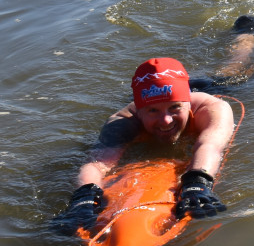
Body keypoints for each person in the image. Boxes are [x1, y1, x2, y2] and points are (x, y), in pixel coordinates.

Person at [52, 56, 237, 235]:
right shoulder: (123, 123)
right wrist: (83, 199)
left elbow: (209, 146)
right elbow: (97, 164)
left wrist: (197, 184)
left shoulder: (212, 108)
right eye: (153, 111)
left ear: (187, 104)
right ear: (139, 112)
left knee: (233, 74)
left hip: (212, 86)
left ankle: (244, 34)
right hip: (152, 92)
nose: (165, 121)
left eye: (175, 108)